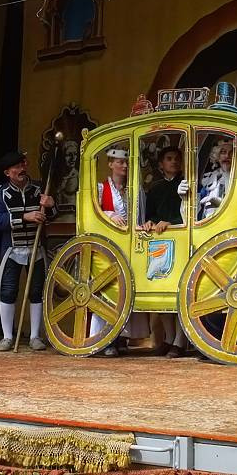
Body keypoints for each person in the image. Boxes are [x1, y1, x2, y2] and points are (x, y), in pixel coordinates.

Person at [0, 150, 57, 352]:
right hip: (12, 250)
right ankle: (7, 336)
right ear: (7, 172)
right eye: (16, 167)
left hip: (36, 250)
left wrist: (51, 206)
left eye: (22, 166)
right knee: (8, 292)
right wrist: (24, 218)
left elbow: (52, 215)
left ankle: (36, 336)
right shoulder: (0, 194)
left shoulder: (38, 189)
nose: (21, 170)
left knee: (37, 292)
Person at [92, 146, 149, 356]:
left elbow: (141, 216)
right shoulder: (101, 188)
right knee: (109, 290)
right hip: (109, 246)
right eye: (119, 162)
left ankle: (123, 336)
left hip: (131, 246)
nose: (124, 166)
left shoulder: (135, 190)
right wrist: (109, 215)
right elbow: (93, 215)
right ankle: (105, 337)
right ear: (110, 164)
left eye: (126, 163)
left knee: (129, 289)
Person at [140, 146, 187, 357]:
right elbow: (150, 215)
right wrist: (150, 222)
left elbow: (189, 213)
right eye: (169, 159)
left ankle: (179, 341)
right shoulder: (155, 189)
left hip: (180, 239)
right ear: (161, 164)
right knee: (161, 293)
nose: (174, 162)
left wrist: (171, 222)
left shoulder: (186, 184)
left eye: (177, 159)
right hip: (159, 244)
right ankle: (168, 338)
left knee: (178, 293)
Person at [188, 139, 233, 220]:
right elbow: (196, 207)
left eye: (231, 153)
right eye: (223, 152)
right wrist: (186, 197)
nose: (227, 156)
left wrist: (222, 204)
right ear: (217, 156)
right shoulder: (209, 179)